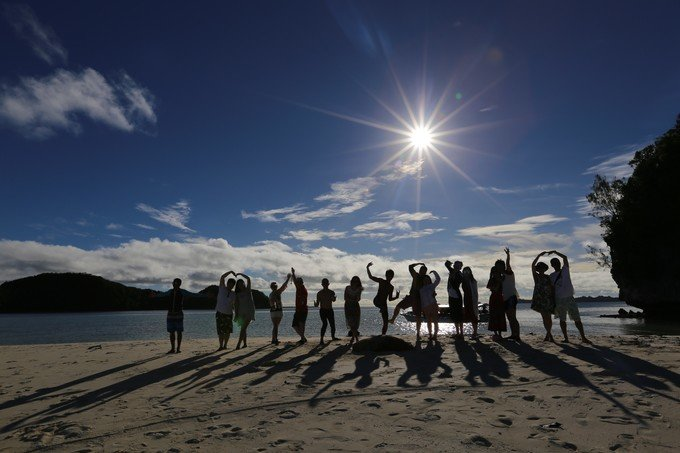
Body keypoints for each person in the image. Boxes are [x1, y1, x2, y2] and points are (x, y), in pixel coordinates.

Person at [548, 250, 591, 344]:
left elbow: (565, 258)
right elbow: (552, 289)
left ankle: (583, 337)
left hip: (569, 297)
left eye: (557, 262)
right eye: (554, 263)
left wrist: (555, 252)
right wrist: (552, 301)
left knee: (577, 319)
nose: (556, 264)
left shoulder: (565, 269)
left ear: (559, 263)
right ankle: (566, 338)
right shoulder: (551, 276)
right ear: (552, 265)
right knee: (562, 320)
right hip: (559, 299)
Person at [152, 278, 203, 354]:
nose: (174, 284)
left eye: (175, 283)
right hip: (170, 314)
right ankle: (172, 349)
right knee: (171, 332)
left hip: (179, 313)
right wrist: (155, 295)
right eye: (173, 283)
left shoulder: (182, 292)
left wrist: (203, 295)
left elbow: (194, 295)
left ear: (179, 284)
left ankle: (178, 348)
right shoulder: (170, 291)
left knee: (179, 331)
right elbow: (163, 294)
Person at [366, 262, 400, 335]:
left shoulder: (391, 287)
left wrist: (396, 297)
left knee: (385, 322)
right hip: (377, 301)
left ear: (392, 277)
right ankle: (382, 309)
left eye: (391, 276)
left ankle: (383, 335)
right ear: (386, 275)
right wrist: (367, 268)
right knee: (383, 308)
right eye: (388, 276)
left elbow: (390, 299)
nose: (389, 277)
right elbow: (371, 277)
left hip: (383, 304)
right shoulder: (381, 281)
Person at [531, 251, 555, 342]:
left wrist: (553, 298)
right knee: (544, 317)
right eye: (540, 268)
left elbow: (552, 288)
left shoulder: (548, 277)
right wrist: (539, 256)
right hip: (540, 299)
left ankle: (548, 334)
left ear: (545, 269)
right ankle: (549, 335)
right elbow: (532, 265)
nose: (541, 269)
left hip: (548, 298)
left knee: (548, 317)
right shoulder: (536, 276)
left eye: (542, 268)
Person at [498, 248, 521, 341]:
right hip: (505, 298)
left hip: (511, 297)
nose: (498, 268)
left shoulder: (508, 272)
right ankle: (513, 334)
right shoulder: (502, 276)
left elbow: (508, 264)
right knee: (510, 317)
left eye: (499, 266)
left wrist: (508, 255)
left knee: (513, 317)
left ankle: (517, 335)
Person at [269, 272, 291, 345]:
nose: (275, 287)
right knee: (276, 325)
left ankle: (273, 339)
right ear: (272, 287)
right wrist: (288, 278)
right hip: (276, 310)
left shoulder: (273, 293)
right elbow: (283, 286)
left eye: (275, 286)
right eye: (274, 286)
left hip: (275, 310)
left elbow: (283, 286)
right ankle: (274, 339)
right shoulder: (276, 293)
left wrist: (288, 279)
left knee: (275, 325)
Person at [234, 273, 255, 349]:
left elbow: (248, 279)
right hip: (240, 313)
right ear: (237, 285)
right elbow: (236, 305)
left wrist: (239, 274)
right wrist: (236, 315)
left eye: (241, 283)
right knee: (243, 329)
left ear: (244, 283)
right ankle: (245, 344)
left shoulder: (248, 291)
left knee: (243, 328)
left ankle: (238, 344)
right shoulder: (237, 294)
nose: (240, 285)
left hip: (249, 312)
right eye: (238, 284)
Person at [216, 271, 236, 350]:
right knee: (220, 331)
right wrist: (230, 272)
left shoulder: (233, 294)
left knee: (227, 331)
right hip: (220, 313)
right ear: (227, 283)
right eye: (230, 283)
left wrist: (237, 314)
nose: (231, 285)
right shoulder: (222, 288)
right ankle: (221, 346)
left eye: (232, 284)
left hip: (229, 314)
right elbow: (222, 277)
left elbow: (234, 305)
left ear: (233, 285)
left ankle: (225, 345)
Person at [419, 270, 441, 341]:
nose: (426, 281)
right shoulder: (421, 289)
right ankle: (430, 335)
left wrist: (434, 272)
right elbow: (421, 300)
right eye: (424, 280)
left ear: (429, 280)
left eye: (427, 279)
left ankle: (435, 335)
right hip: (426, 307)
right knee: (428, 322)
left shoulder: (432, 286)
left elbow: (438, 279)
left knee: (435, 321)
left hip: (433, 305)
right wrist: (422, 308)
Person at [315, 278, 338, 344]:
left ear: (328, 284)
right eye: (324, 283)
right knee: (325, 324)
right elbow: (317, 304)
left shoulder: (331, 292)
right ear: (322, 284)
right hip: (323, 310)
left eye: (326, 283)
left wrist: (334, 298)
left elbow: (333, 300)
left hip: (330, 310)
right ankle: (321, 339)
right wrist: (315, 304)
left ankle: (333, 337)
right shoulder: (319, 293)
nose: (325, 285)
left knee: (332, 324)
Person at [445, 260, 464, 337]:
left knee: (459, 314)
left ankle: (461, 333)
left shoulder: (460, 274)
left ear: (460, 267)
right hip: (451, 295)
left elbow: (456, 283)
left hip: (456, 295)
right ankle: (457, 332)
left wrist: (453, 274)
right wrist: (449, 264)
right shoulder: (452, 270)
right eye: (455, 265)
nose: (456, 266)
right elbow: (446, 264)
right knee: (453, 314)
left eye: (458, 265)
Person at [486, 267, 506, 339]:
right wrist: (497, 283)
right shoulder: (492, 279)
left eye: (496, 272)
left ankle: (500, 333)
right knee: (493, 315)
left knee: (500, 314)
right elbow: (490, 287)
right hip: (494, 297)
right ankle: (496, 333)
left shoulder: (502, 278)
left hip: (500, 297)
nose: (495, 273)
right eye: (494, 272)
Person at [291, 267, 308, 344]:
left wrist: (301, 304)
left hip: (302, 310)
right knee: (294, 325)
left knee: (301, 324)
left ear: (301, 283)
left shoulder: (303, 290)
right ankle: (303, 337)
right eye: (296, 282)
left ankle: (302, 338)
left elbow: (303, 300)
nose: (296, 283)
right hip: (298, 310)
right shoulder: (298, 288)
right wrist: (293, 273)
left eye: (298, 282)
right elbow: (294, 281)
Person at [461, 266, 479, 338]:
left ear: (470, 272)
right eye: (465, 271)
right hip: (466, 299)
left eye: (467, 271)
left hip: (472, 299)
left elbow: (475, 292)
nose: (466, 273)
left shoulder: (473, 281)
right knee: (466, 315)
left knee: (474, 315)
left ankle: (475, 332)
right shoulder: (463, 280)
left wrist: (475, 300)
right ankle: (461, 332)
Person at [344, 276, 363, 344]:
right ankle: (356, 339)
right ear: (351, 281)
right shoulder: (347, 288)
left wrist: (354, 298)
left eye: (356, 281)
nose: (355, 282)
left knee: (355, 322)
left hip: (355, 306)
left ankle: (353, 338)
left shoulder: (359, 288)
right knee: (350, 322)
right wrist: (353, 299)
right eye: (354, 281)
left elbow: (358, 299)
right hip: (348, 306)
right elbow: (345, 298)